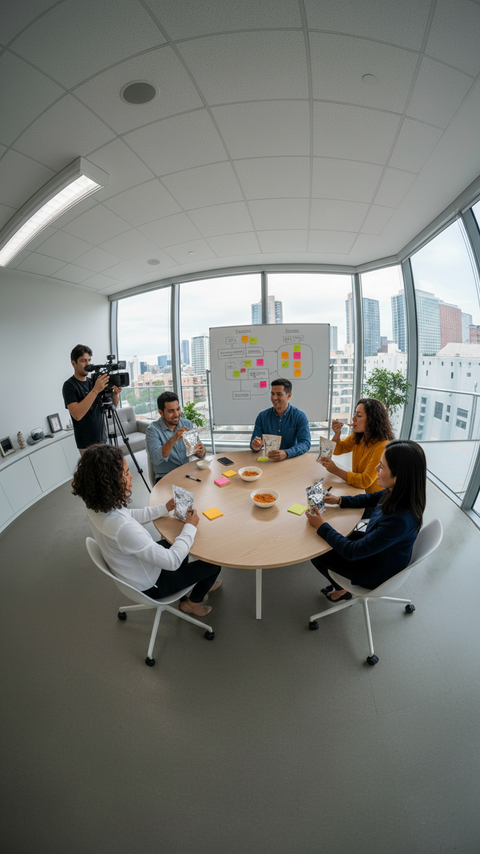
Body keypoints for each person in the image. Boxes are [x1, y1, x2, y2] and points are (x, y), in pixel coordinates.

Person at [72, 443, 221, 617]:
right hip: (153, 584)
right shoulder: (123, 529)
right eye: (126, 473)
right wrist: (190, 526)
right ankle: (192, 604)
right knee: (213, 564)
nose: (132, 476)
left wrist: (164, 508)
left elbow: (130, 515)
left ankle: (200, 582)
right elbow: (172, 561)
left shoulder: (96, 507)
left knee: (176, 539)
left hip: (133, 568)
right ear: (109, 482)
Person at [306, 440, 426, 602]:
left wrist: (322, 526)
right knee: (333, 535)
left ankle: (341, 591)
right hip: (381, 551)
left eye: (382, 467)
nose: (377, 469)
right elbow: (371, 498)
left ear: (399, 476)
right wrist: (339, 500)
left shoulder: (400, 519)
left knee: (317, 554)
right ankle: (339, 587)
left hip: (376, 571)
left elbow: (352, 551)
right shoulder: (399, 492)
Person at [319, 398, 394, 494]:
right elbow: (338, 450)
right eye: (355, 414)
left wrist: (336, 470)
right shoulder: (359, 436)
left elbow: (365, 481)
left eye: (358, 415)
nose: (353, 418)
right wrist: (337, 434)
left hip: (371, 498)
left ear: (371, 420)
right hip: (356, 489)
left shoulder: (382, 446)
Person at [62, 345, 121, 451]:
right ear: (73, 363)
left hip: (103, 439)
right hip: (87, 445)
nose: (88, 364)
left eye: (89, 360)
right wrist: (95, 390)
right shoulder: (69, 385)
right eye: (83, 361)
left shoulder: (92, 382)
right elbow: (77, 415)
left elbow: (113, 404)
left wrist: (115, 394)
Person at [146, 391, 206, 482]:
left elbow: (194, 450)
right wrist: (173, 439)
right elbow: (155, 459)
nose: (176, 414)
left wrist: (200, 452)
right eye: (171, 411)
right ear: (161, 412)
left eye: (178, 409)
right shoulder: (152, 430)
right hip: (166, 477)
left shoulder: (187, 424)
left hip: (187, 472)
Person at [250, 378, 311, 461]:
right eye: (272, 394)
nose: (274, 398)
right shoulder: (262, 416)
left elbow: (305, 443)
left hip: (290, 460)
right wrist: (255, 446)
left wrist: (286, 453)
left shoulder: (299, 416)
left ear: (289, 395)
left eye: (279, 394)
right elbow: (253, 443)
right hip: (269, 460)